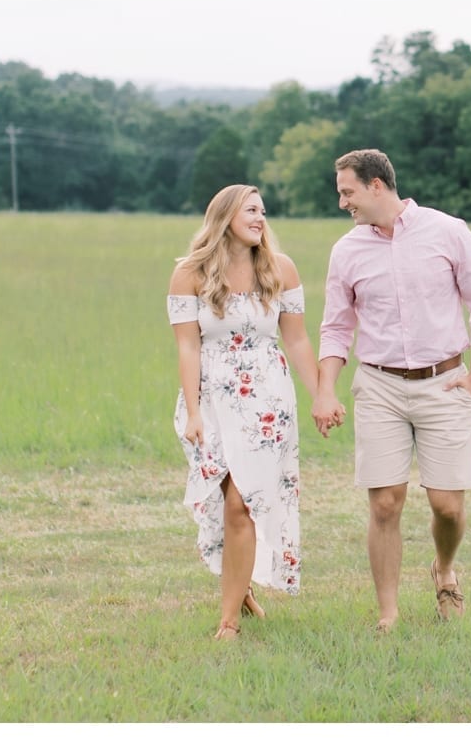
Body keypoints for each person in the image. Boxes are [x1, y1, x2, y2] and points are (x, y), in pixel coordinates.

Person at [317, 149, 471, 632]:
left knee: (447, 505)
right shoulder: (347, 251)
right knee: (385, 502)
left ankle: (444, 568)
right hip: (378, 384)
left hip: (445, 383)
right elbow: (335, 328)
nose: (342, 203)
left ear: (377, 185)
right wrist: (325, 390)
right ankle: (388, 614)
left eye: (347, 192)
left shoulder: (449, 232)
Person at [167, 184, 344, 640]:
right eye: (251, 210)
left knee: (243, 503)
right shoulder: (189, 274)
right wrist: (193, 412)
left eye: (263, 211)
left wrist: (322, 394)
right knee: (227, 505)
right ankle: (239, 588)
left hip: (267, 400)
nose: (261, 218)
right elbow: (187, 347)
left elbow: (298, 339)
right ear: (224, 216)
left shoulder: (280, 269)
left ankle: (228, 621)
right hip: (212, 399)